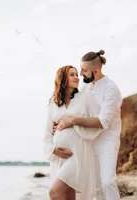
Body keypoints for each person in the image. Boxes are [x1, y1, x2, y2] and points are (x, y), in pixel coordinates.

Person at [56, 50, 122, 200]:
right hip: (88, 141)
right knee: (96, 187)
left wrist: (72, 121)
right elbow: (76, 111)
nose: (80, 74)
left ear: (96, 70)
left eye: (84, 70)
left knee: (107, 182)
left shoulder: (111, 89)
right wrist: (61, 124)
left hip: (107, 140)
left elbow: (102, 122)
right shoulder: (86, 88)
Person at [44, 65, 104, 200]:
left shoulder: (86, 97)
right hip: (61, 156)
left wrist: (73, 121)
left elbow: (98, 122)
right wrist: (54, 150)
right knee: (67, 196)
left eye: (77, 74)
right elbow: (47, 132)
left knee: (54, 193)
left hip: (78, 153)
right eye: (72, 74)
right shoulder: (54, 102)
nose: (77, 77)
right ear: (63, 78)